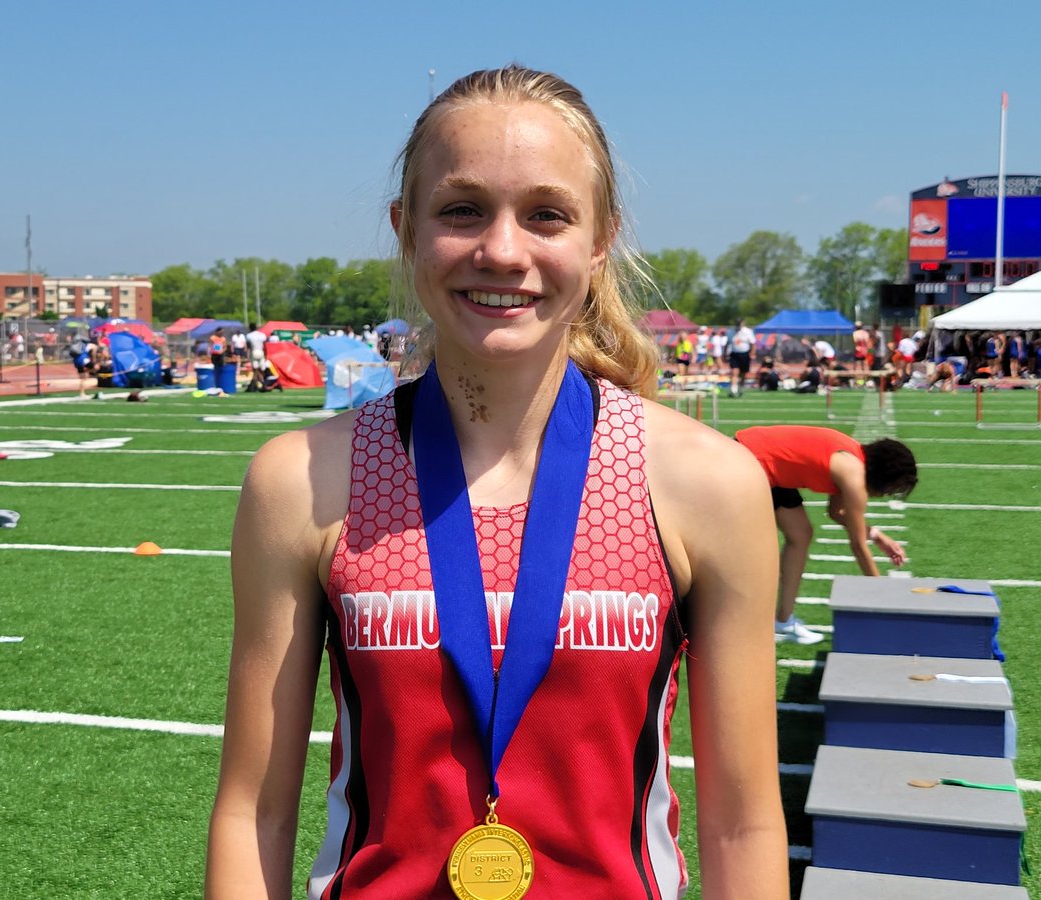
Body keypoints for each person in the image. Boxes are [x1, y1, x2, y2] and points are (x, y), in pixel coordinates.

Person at [206, 65, 788, 899]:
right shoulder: (303, 480)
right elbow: (252, 815)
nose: (503, 250)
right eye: (462, 210)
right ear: (407, 229)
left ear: (599, 239)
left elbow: (743, 823)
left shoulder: (707, 484)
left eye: (545, 214)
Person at [734, 425, 917, 645]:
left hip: (764, 462)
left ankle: (783, 621)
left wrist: (877, 536)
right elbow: (858, 546)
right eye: (891, 488)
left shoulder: (852, 457)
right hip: (748, 461)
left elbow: (836, 513)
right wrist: (881, 593)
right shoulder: (853, 476)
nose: (886, 494)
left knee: (801, 534)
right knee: (745, 545)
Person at [728, 317, 755, 396]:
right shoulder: (730, 331)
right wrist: (724, 354)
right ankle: (734, 389)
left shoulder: (748, 331)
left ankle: (741, 388)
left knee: (743, 373)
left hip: (745, 354)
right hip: (734, 354)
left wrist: (752, 353)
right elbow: (728, 343)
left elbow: (753, 343)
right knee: (734, 372)